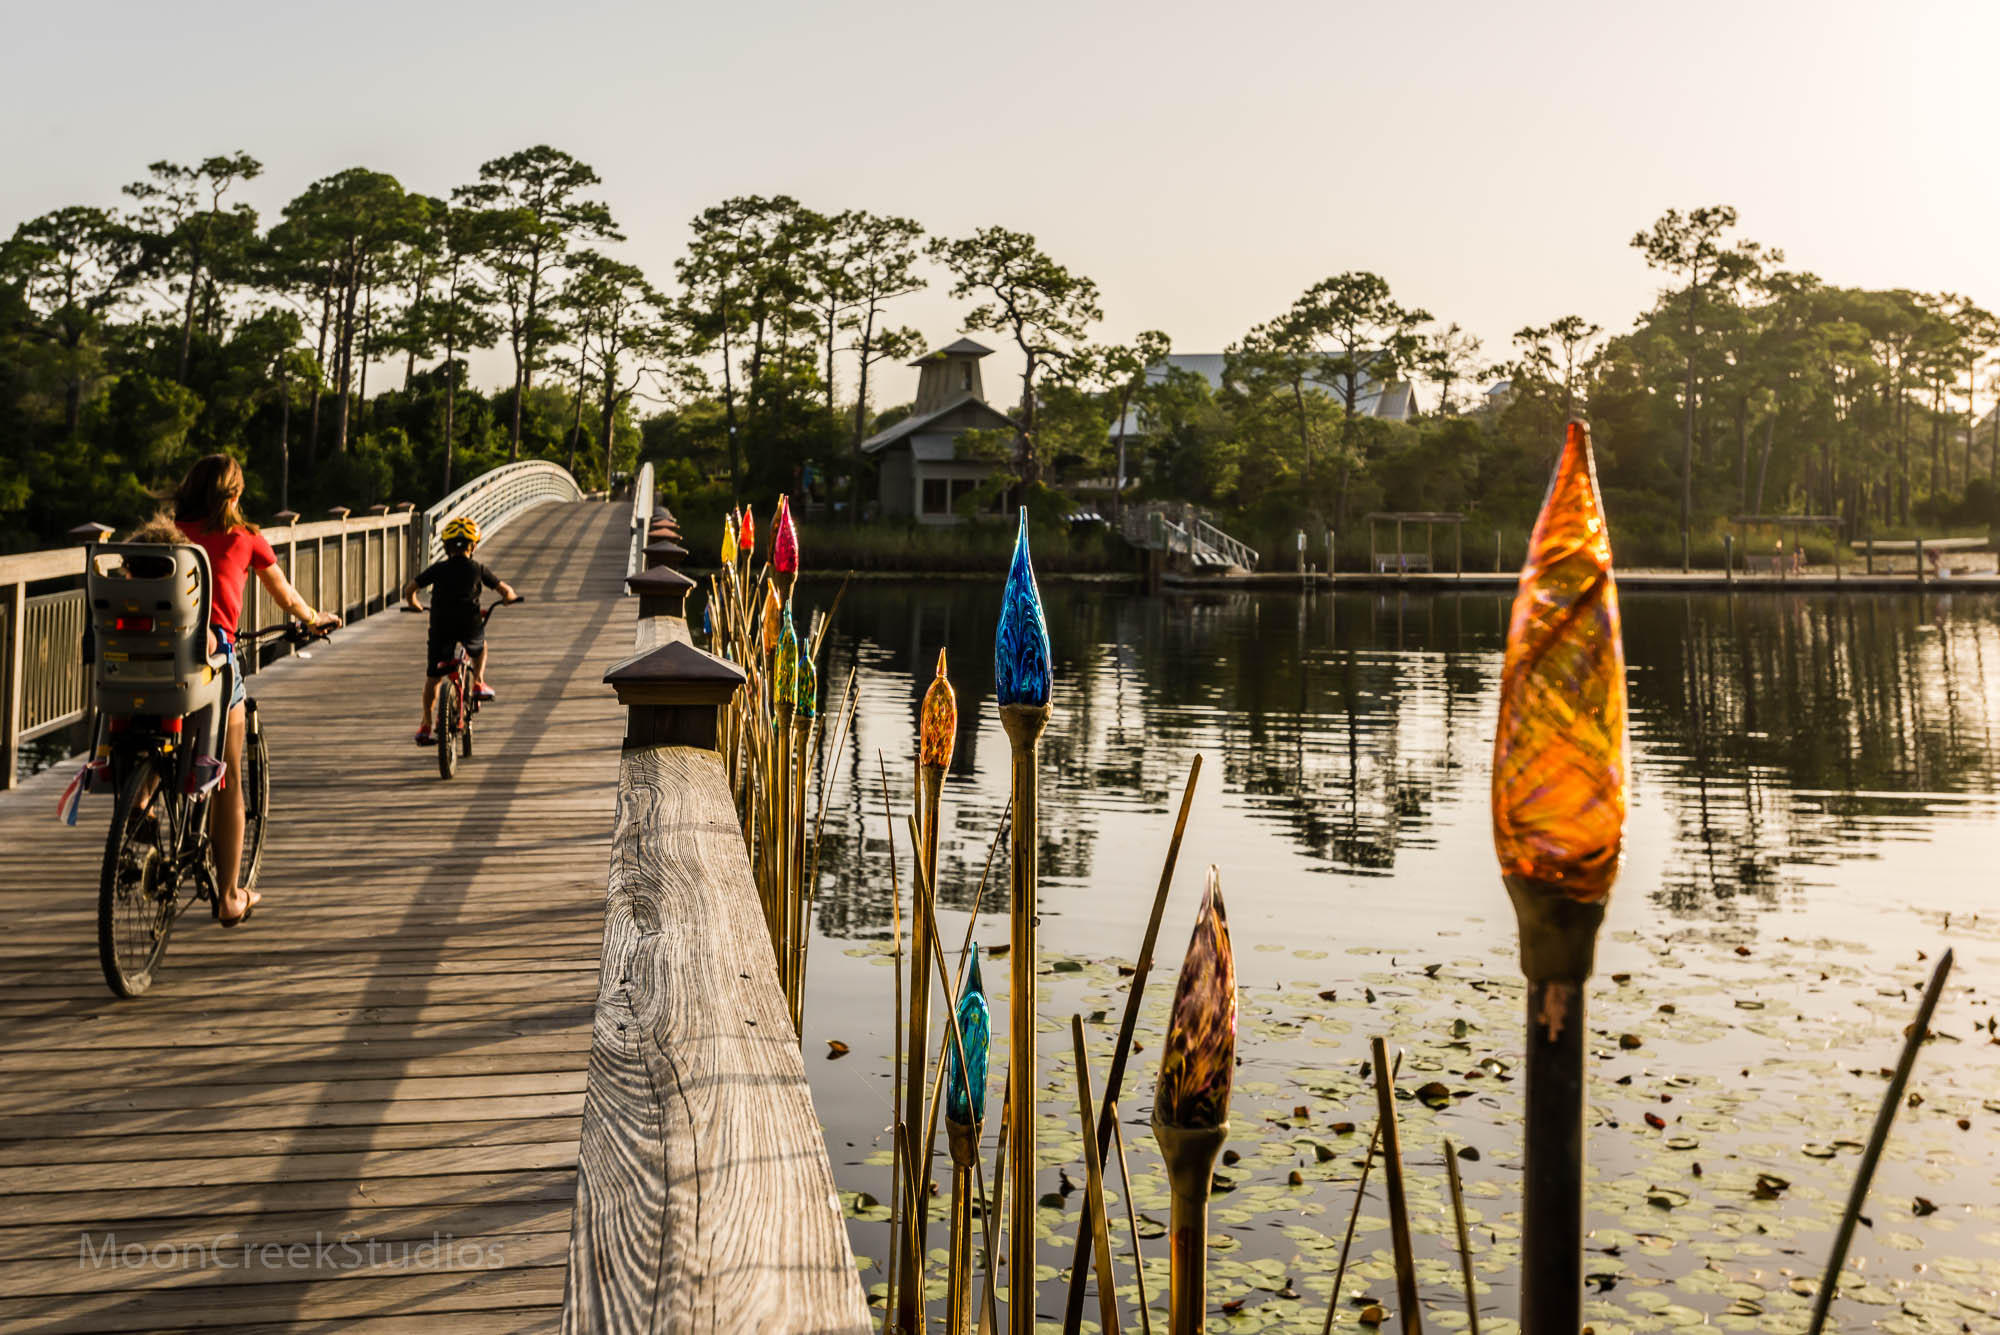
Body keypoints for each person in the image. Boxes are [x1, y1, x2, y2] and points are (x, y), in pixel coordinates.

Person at [170, 454, 342, 927]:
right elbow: (284, 594)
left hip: (155, 660)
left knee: (160, 733)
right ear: (235, 495)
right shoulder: (245, 538)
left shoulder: (167, 537)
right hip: (212, 664)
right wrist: (313, 618)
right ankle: (228, 896)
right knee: (228, 779)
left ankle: (139, 806)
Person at [403, 515, 517, 744]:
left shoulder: (438, 569)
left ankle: (426, 724)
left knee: (434, 677)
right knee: (480, 647)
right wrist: (508, 598)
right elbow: (506, 590)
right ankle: (478, 683)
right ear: (473, 546)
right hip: (469, 625)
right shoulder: (477, 568)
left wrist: (413, 604)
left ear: (446, 547)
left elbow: (410, 588)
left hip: (440, 626)